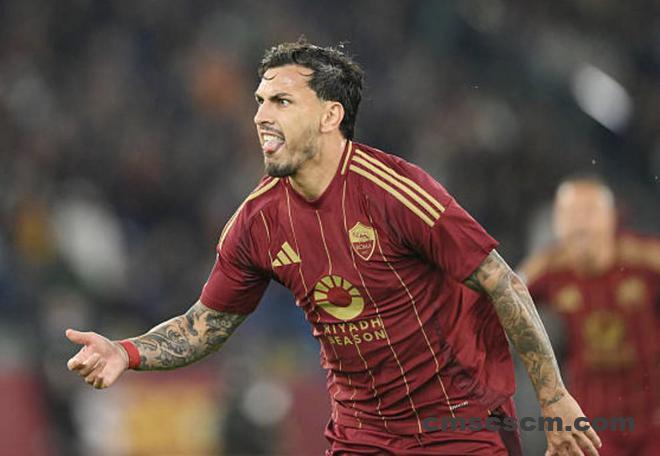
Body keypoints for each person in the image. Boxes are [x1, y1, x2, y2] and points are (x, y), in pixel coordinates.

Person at [66, 40, 602, 455]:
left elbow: (502, 283)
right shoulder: (256, 222)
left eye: (282, 101)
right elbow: (203, 326)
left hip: (458, 423)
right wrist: (125, 352)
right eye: (260, 102)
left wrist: (554, 398)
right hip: (362, 435)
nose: (261, 116)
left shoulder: (397, 192)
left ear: (330, 115)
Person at [520, 176, 660, 456]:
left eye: (588, 212)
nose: (579, 224)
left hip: (654, 417)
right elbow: (503, 294)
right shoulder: (550, 268)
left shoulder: (646, 258)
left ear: (612, 218)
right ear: (557, 223)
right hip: (595, 423)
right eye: (570, 214)